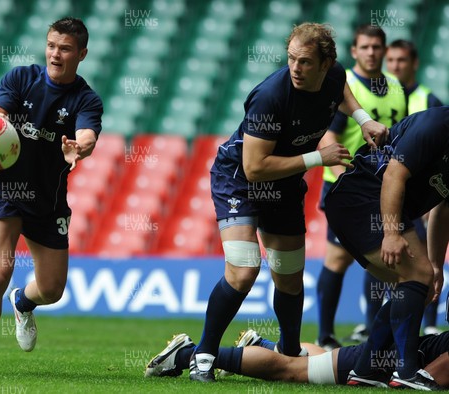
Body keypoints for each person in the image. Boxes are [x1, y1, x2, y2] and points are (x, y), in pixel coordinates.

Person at [191, 22, 388, 382]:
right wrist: (318, 158)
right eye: (292, 59)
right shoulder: (271, 96)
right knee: (244, 267)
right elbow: (253, 168)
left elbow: (341, 87)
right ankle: (202, 353)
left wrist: (362, 119)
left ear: (325, 64)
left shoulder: (335, 74)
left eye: (306, 62)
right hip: (239, 180)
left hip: (283, 184)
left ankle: (289, 352)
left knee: (289, 276)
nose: (296, 68)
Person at [0, 17, 103, 375]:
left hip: (48, 200)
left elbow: (87, 135)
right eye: (52, 45)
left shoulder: (86, 99)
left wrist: (79, 148)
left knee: (53, 290)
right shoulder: (20, 78)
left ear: (82, 53)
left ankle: (23, 302)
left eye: (66, 48)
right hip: (5, 190)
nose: (56, 54)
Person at [324, 106, 449, 388]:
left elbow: (444, 210)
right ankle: (406, 374)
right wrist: (391, 234)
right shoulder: (437, 123)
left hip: (373, 205)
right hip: (360, 198)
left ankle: (367, 370)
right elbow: (393, 176)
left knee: (421, 283)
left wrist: (437, 265)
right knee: (417, 275)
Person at [316, 25, 406, 351]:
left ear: (383, 50)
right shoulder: (346, 87)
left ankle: (371, 331)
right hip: (346, 189)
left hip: (382, 188)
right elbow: (328, 137)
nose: (371, 53)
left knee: (382, 256)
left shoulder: (396, 86)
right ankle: (325, 335)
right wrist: (343, 180)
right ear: (354, 51)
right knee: (338, 259)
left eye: (376, 47)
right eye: (364, 47)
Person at [145, 329, 448, 389]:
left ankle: (262, 345)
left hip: (399, 353)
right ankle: (186, 355)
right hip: (390, 360)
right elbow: (427, 381)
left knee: (321, 360)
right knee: (291, 370)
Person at [386, 38, 445, 336]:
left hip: (422, 198)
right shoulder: (376, 96)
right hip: (384, 192)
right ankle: (383, 342)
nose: (396, 66)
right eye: (391, 60)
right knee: (392, 262)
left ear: (414, 64)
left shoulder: (430, 102)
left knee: (423, 268)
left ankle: (429, 325)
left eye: (402, 60)